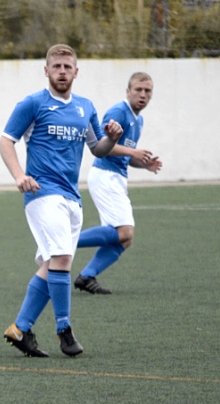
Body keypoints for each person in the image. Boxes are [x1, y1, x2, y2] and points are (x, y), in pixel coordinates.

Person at [0, 44, 123, 358]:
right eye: (57, 67)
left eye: (68, 67)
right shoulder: (33, 104)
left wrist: (114, 138)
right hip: (42, 193)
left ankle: (20, 328)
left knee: (52, 264)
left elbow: (98, 148)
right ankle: (64, 330)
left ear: (76, 72)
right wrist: (18, 176)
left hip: (71, 197)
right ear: (46, 71)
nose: (62, 72)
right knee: (64, 259)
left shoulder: (85, 107)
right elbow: (5, 141)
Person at [74, 72, 163, 294]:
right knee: (125, 232)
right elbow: (103, 147)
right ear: (128, 91)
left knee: (123, 240)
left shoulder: (138, 119)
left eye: (147, 91)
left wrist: (143, 163)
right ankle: (64, 242)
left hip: (116, 178)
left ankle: (86, 276)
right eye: (138, 90)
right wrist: (134, 151)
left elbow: (124, 155)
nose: (143, 95)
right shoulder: (118, 112)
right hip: (105, 176)